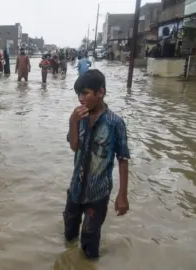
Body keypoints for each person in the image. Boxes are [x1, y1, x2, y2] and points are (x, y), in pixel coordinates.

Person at [64, 69, 130, 259]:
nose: (80, 98)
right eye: (78, 94)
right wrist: (72, 121)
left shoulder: (115, 123)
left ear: (100, 92)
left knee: (90, 242)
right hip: (75, 189)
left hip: (98, 193)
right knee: (69, 234)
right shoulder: (79, 117)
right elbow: (74, 146)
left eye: (85, 93)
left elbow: (123, 159)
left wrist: (122, 195)